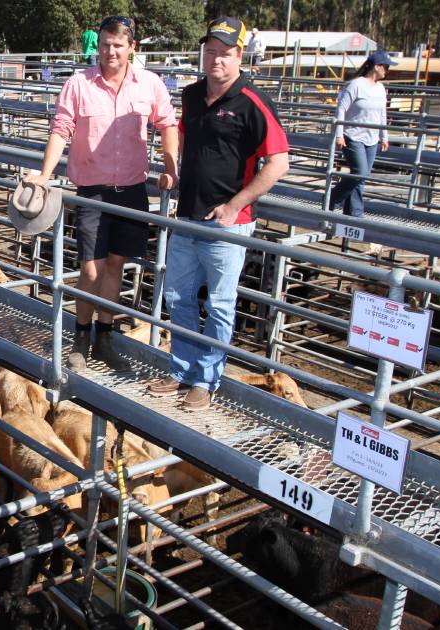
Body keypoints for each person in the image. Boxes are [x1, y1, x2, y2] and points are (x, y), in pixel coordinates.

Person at [146, 16, 290, 410]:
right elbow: (181, 135)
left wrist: (236, 205)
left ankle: (206, 379)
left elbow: (278, 161)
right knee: (178, 295)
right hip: (188, 214)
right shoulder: (192, 96)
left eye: (225, 54)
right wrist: (172, 168)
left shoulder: (253, 102)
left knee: (221, 304)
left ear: (239, 56)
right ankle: (183, 371)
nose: (216, 60)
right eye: (211, 51)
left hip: (228, 223)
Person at [28, 15, 180, 371]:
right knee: (91, 270)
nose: (110, 52)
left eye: (118, 45)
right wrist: (45, 174)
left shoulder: (150, 85)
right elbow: (61, 128)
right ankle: (80, 336)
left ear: (131, 48)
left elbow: (168, 123)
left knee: (115, 265)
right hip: (92, 191)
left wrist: (171, 169)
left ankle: (104, 337)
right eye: (106, 44)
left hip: (131, 190)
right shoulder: (79, 84)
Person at [328, 50, 396, 218]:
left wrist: (384, 136)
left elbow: (382, 113)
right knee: (360, 172)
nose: (387, 71)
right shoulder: (356, 85)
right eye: (386, 67)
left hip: (371, 138)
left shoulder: (381, 88)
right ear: (377, 66)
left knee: (361, 178)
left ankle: (354, 213)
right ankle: (331, 199)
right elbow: (341, 109)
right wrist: (339, 134)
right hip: (353, 135)